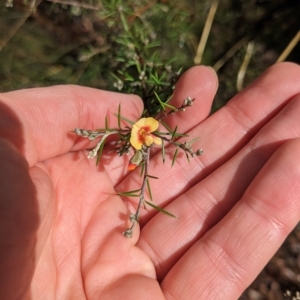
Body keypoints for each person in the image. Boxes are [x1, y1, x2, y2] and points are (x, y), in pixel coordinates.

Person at [0, 62, 299, 299]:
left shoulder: (144, 136)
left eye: (145, 134)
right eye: (144, 134)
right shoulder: (141, 135)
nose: (145, 135)